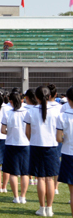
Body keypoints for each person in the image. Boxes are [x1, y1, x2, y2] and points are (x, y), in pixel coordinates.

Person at [24, 86, 61, 217]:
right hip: (52, 146)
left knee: (40, 178)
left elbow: (27, 132)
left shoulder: (31, 111)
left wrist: (33, 139)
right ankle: (49, 208)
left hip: (36, 145)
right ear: (50, 96)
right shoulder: (57, 111)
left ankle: (42, 208)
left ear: (36, 97)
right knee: (50, 179)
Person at [1, 91, 30, 204]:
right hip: (25, 144)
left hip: (11, 144)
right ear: (22, 100)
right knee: (24, 172)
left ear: (11, 101)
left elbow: (3, 130)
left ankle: (16, 197)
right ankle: (23, 197)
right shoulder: (27, 112)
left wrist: (10, 132)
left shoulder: (7, 113)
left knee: (13, 172)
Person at [56, 86, 73, 217]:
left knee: (72, 193)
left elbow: (58, 138)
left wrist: (65, 139)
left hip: (68, 153)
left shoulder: (62, 116)